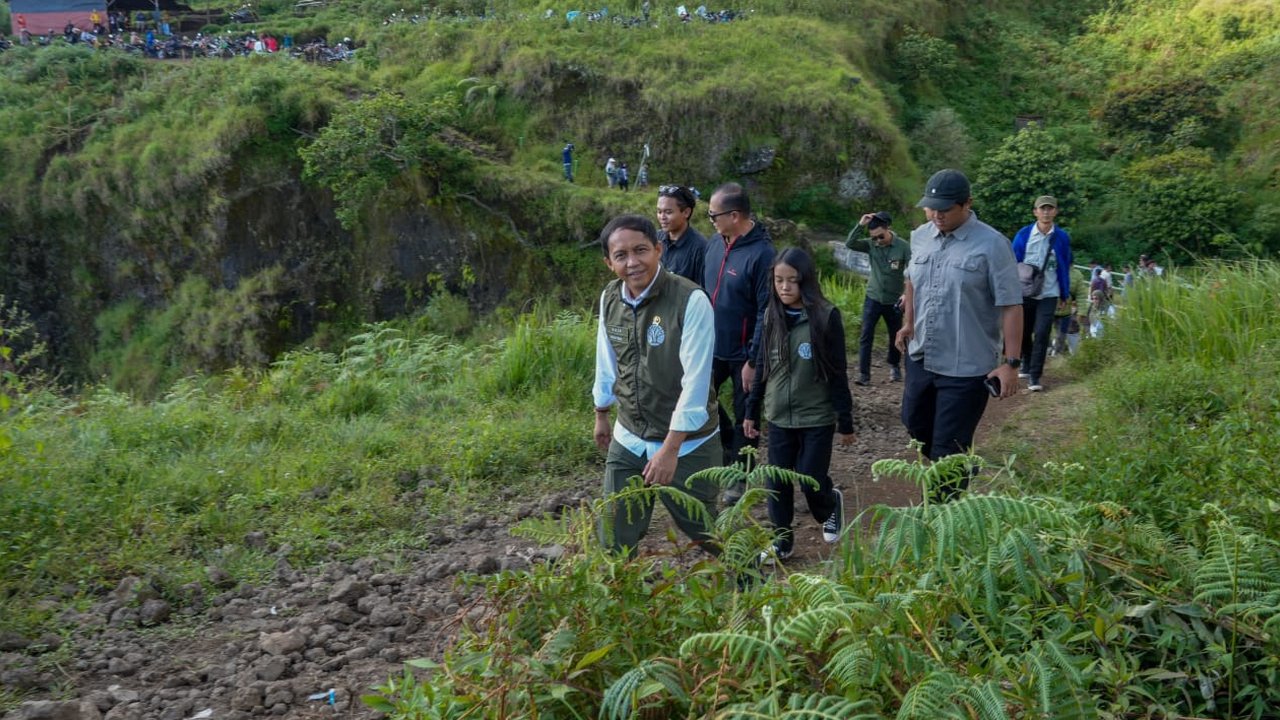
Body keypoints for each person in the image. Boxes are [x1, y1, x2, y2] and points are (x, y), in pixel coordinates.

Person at [592, 214, 720, 555]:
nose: (632, 262)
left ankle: (753, 578)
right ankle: (622, 587)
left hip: (688, 442)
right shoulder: (610, 298)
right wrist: (601, 411)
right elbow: (606, 359)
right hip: (630, 434)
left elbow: (696, 383)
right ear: (609, 263)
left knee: (707, 530)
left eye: (641, 250)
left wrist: (670, 449)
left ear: (658, 250)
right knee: (614, 535)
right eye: (621, 255)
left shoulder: (690, 300)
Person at [895, 169, 1023, 501]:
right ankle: (961, 465)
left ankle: (941, 517)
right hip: (922, 354)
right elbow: (911, 281)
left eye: (945, 209)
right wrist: (908, 323)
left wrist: (1011, 363)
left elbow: (1011, 304)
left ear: (967, 204)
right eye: (931, 208)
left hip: (966, 365)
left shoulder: (993, 245)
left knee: (947, 448)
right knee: (914, 423)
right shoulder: (920, 236)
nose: (937, 215)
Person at [743, 248, 854, 562]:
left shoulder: (826, 316)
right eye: (779, 280)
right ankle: (782, 541)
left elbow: (837, 371)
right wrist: (752, 411)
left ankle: (830, 505)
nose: (784, 287)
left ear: (806, 280)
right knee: (776, 481)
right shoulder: (771, 315)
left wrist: (845, 420)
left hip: (817, 416)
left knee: (810, 478)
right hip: (779, 415)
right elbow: (762, 366)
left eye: (792, 280)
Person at [703, 182, 775, 502]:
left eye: (713, 215)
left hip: (744, 353)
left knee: (748, 414)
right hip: (711, 346)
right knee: (699, 399)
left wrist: (753, 360)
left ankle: (740, 476)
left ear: (734, 215)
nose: (710, 221)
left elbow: (766, 311)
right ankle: (728, 450)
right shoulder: (714, 244)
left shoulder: (763, 254)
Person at [1011, 195, 1073, 392]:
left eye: (1050, 208)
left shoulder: (1062, 237)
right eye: (1042, 208)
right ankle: (1026, 362)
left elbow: (1065, 266)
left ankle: (1035, 375)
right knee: (1024, 331)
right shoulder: (1024, 234)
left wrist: (1064, 293)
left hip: (1049, 293)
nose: (1046, 212)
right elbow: (1012, 262)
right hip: (1025, 291)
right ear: (1035, 212)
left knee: (1042, 332)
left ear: (1055, 211)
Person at [845, 210, 911, 385]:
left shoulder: (903, 247)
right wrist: (861, 225)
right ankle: (864, 374)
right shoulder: (871, 245)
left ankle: (894, 366)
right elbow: (850, 243)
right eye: (874, 237)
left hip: (894, 299)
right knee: (866, 335)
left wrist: (906, 294)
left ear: (888, 228)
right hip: (873, 297)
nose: (878, 241)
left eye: (880, 236)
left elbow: (912, 272)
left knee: (895, 334)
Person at [655, 185, 707, 284]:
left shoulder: (700, 248)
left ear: (686, 212)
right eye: (659, 211)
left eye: (668, 212)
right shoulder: (655, 238)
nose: (662, 217)